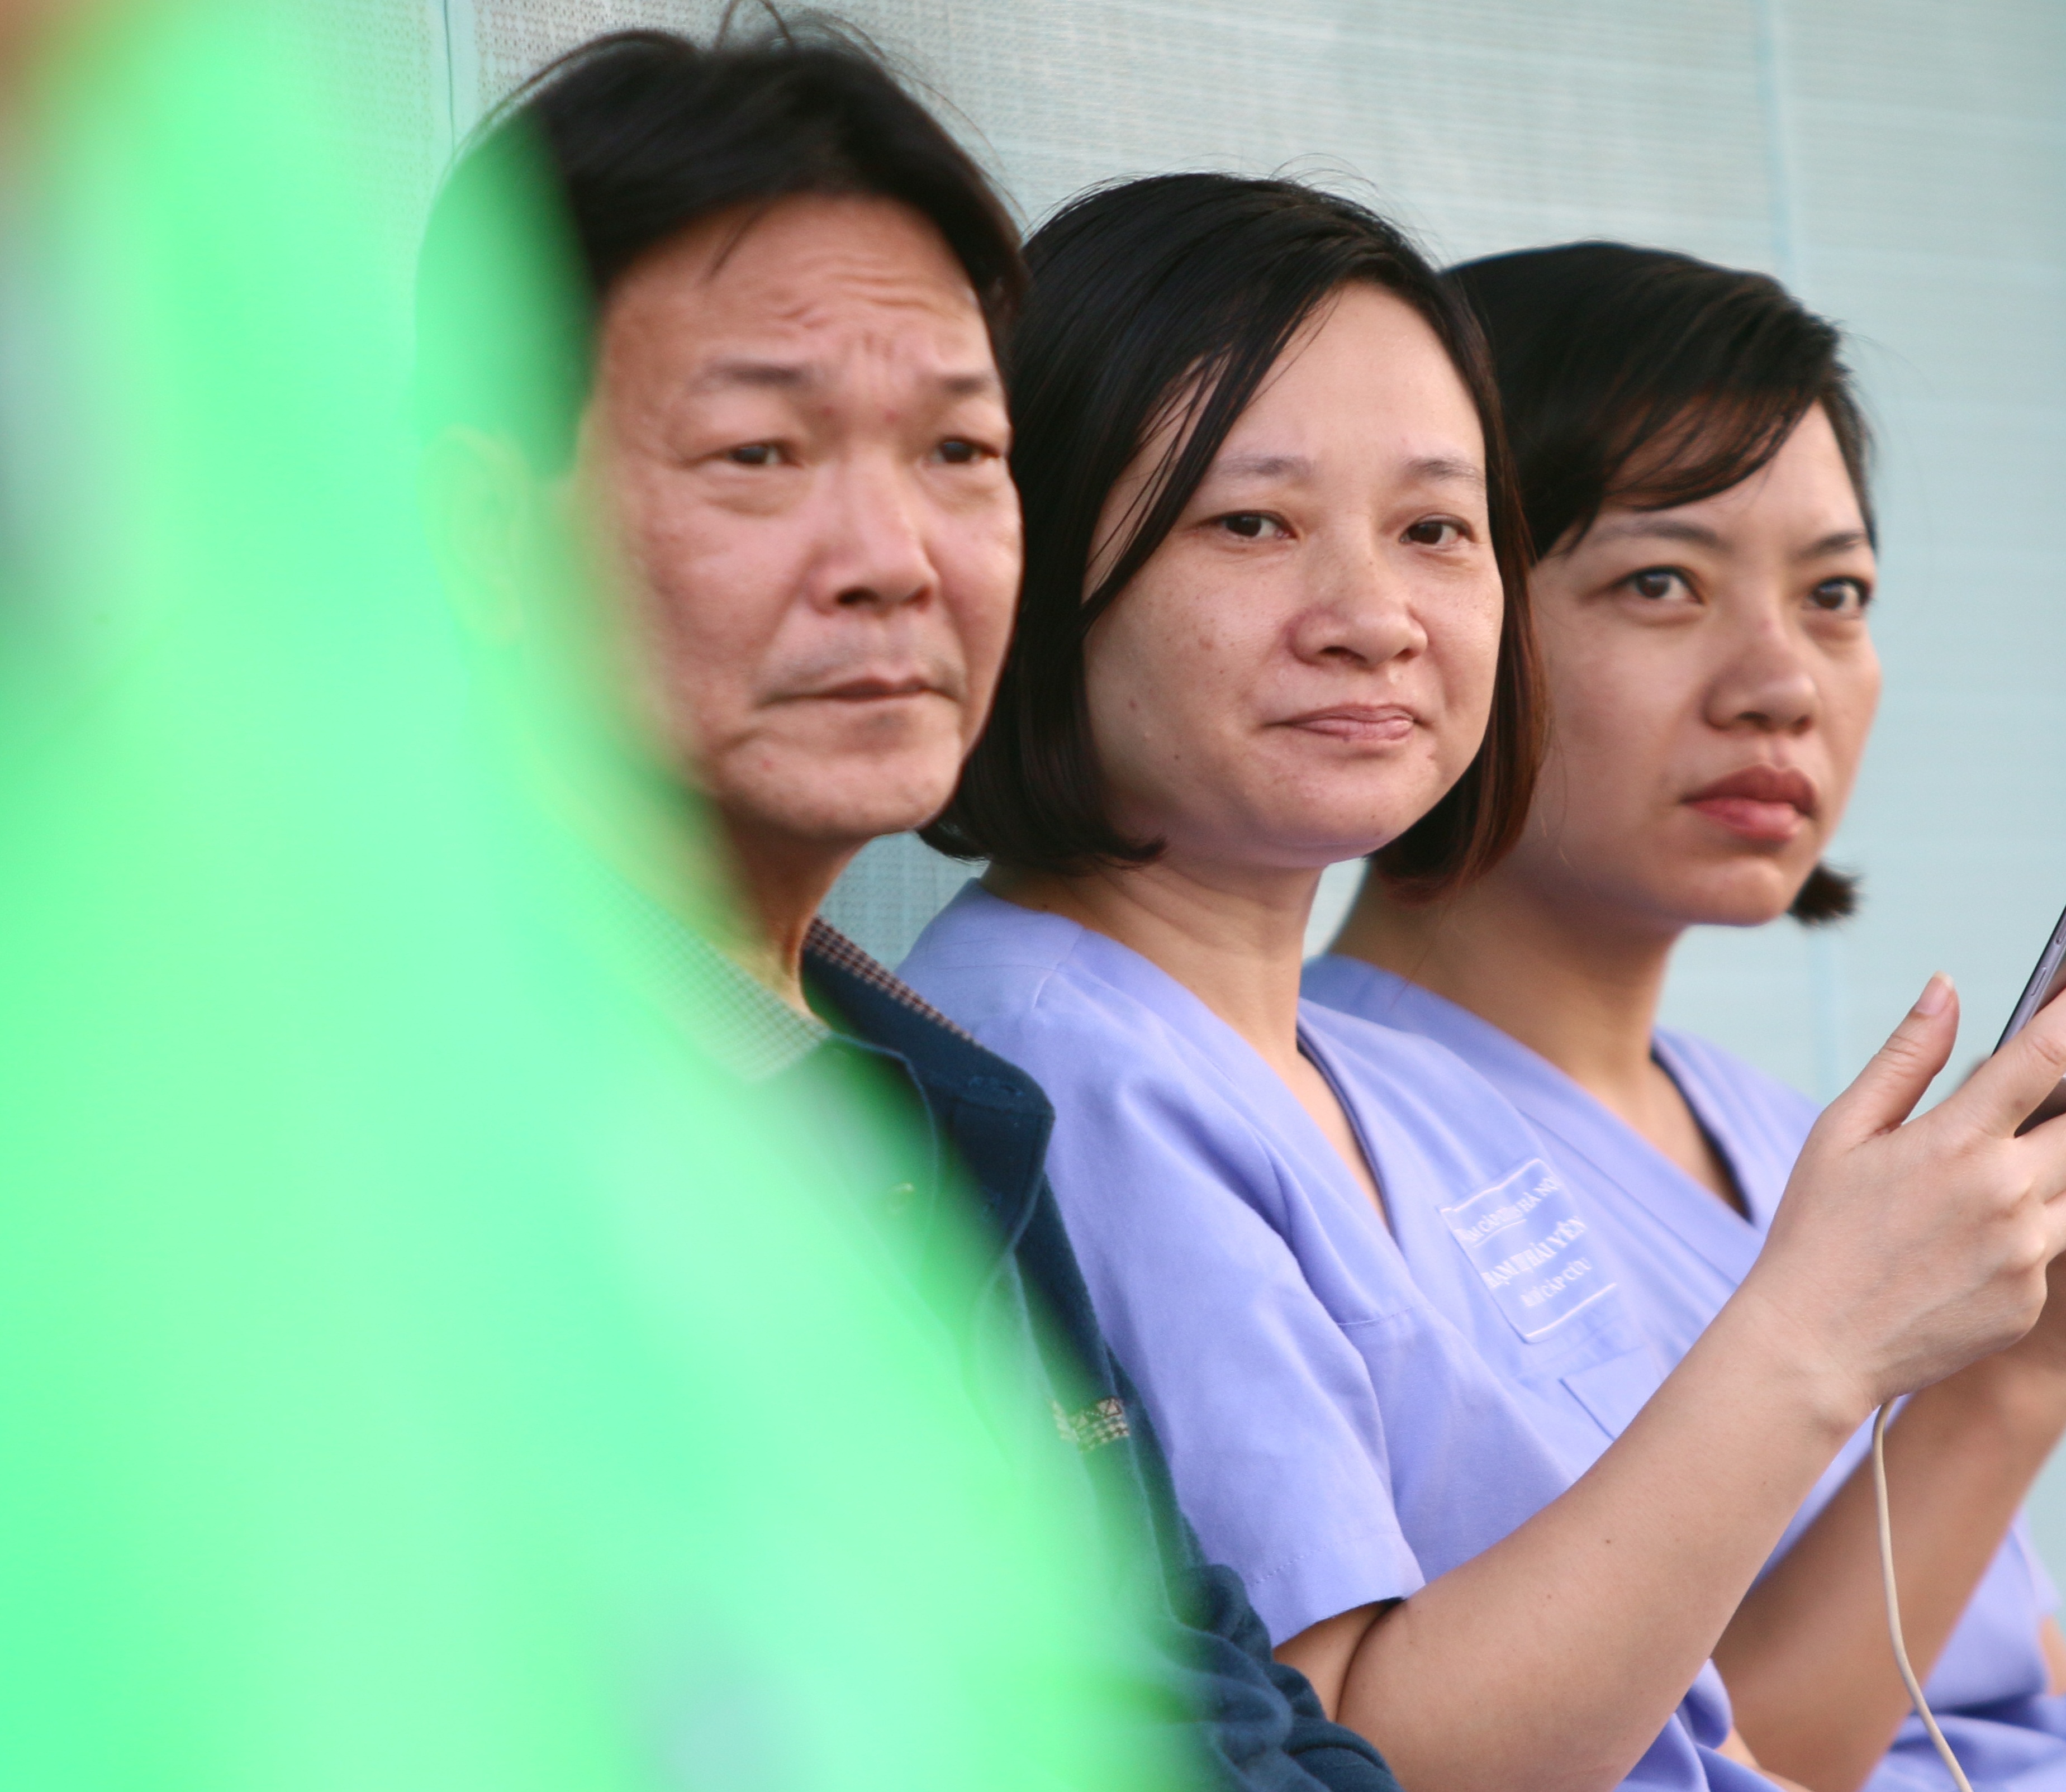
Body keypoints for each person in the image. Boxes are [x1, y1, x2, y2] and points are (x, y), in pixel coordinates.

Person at [900, 170, 2066, 1792]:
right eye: (1251, 524)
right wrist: (1821, 1336)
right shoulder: (1073, 1067)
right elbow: (1358, 1755)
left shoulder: (1359, 1089)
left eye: (1435, 531)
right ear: (1037, 559)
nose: (1373, 620)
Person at [415, 22, 1399, 1792]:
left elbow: (1205, 1699)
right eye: (760, 459)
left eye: (958, 454)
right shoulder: (408, 1110)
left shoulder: (926, 1099)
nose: (895, 557)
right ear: (487, 529)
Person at [1306, 241, 2066, 1792]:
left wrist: (2030, 1360)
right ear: (1440, 600)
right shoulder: (1315, 1131)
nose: (1780, 682)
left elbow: (2038, 1696)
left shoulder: (1775, 1133)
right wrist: (1998, 1391)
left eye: (1837, 595)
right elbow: (1718, 1758)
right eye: (1660, 583)